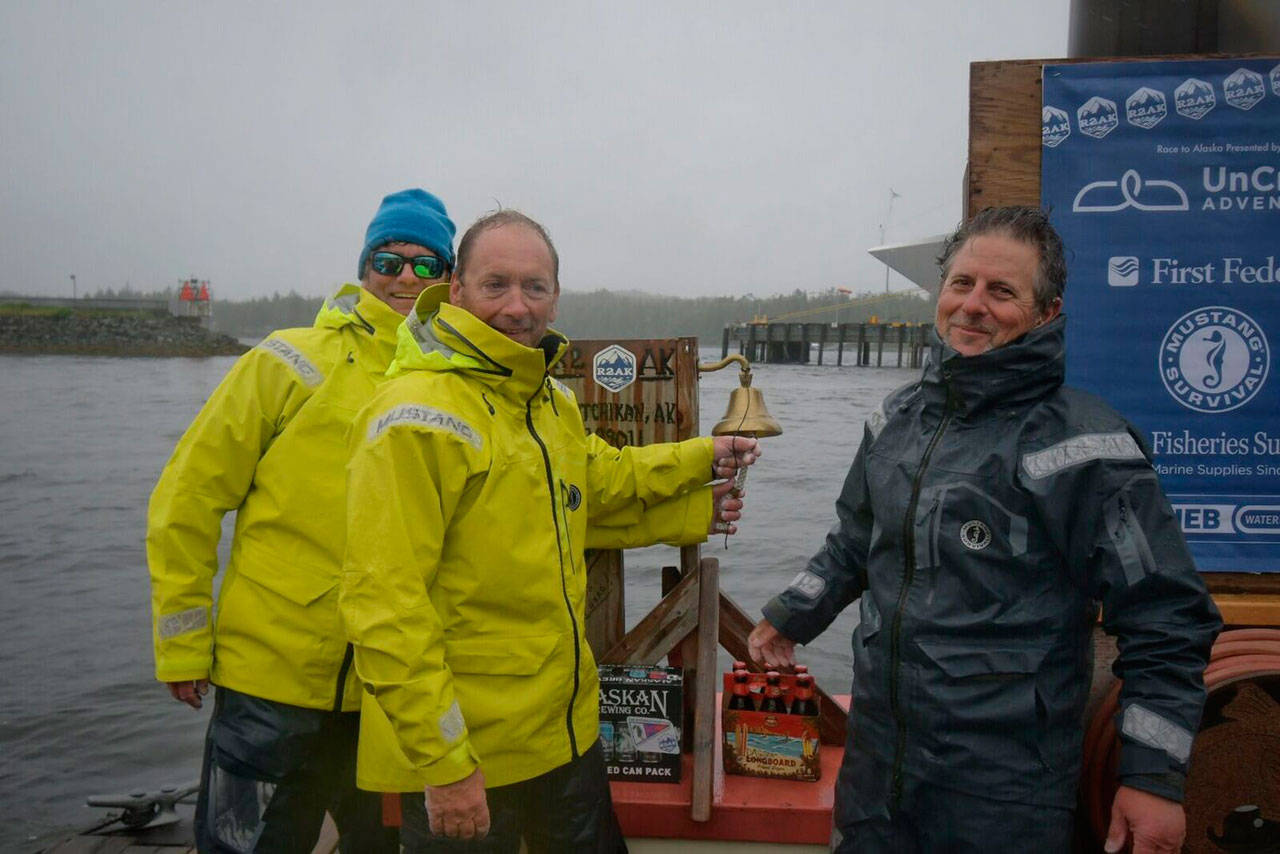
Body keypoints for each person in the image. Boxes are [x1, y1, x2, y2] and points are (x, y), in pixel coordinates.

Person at [147, 190, 733, 852]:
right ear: (366, 265)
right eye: (388, 260)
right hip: (278, 682)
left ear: (446, 282)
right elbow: (187, 498)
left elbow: (563, 505)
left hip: (390, 706)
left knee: (371, 845)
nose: (405, 278)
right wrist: (184, 642)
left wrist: (697, 496)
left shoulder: (515, 394)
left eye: (426, 265)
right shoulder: (296, 365)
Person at [748, 206, 1221, 854]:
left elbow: (1168, 618)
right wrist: (792, 613)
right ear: (940, 293)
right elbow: (855, 540)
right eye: (962, 284)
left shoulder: (1087, 447)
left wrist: (1155, 781)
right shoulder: (894, 419)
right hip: (875, 776)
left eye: (1002, 291)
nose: (974, 306)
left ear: (1046, 313)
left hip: (1002, 797)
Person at [340, 209, 762, 852]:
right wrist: (445, 766)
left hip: (565, 737)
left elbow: (599, 483)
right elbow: (383, 606)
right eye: (496, 284)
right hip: (470, 759)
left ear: (556, 296)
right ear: (455, 290)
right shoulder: (413, 416)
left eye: (535, 287)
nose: (518, 306)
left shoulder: (549, 403)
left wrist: (703, 464)